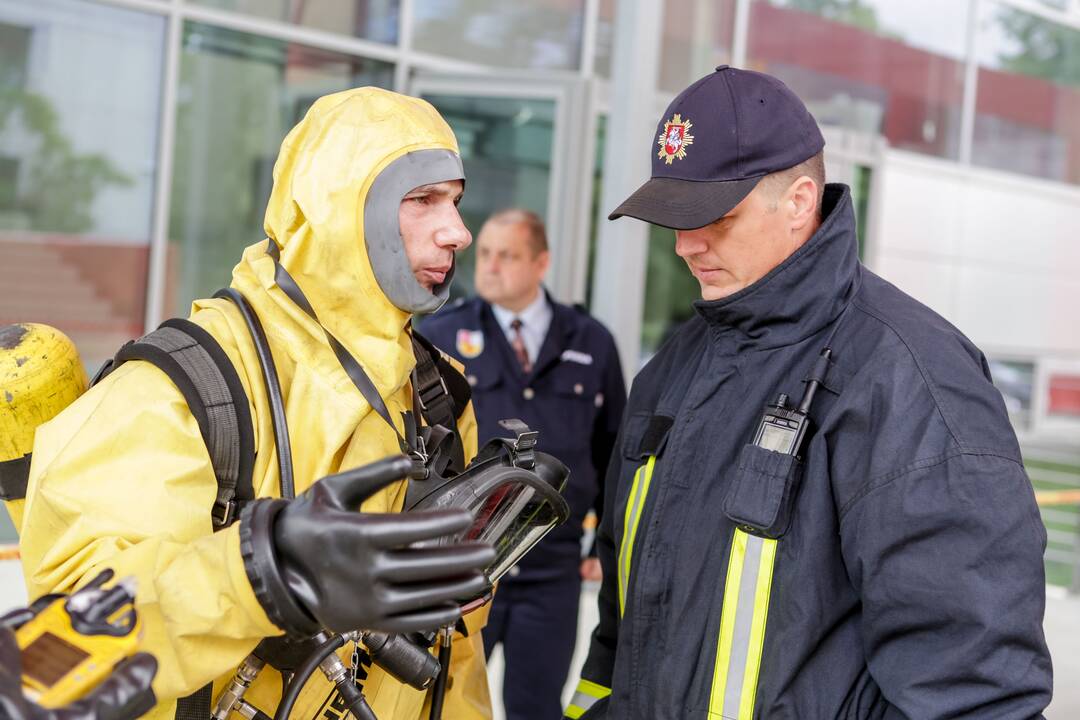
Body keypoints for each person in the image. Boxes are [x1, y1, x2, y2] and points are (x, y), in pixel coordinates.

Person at [566, 66, 1053, 719]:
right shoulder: (671, 372)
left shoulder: (911, 381)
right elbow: (621, 636)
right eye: (672, 218)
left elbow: (973, 692)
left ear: (798, 201)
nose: (686, 245)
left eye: (714, 216)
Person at [18, 88, 502, 720]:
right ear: (334, 210)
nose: (458, 232)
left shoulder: (437, 396)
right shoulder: (193, 384)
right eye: (422, 200)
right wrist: (258, 575)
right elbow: (73, 627)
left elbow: (451, 663)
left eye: (457, 201)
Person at [420, 209, 626, 720]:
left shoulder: (590, 342)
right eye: (484, 254)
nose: (489, 266)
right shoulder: (441, 334)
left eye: (506, 255)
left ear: (541, 263)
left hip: (551, 565)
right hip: (465, 562)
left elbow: (614, 449)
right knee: (440, 701)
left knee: (536, 705)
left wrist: (605, 544)